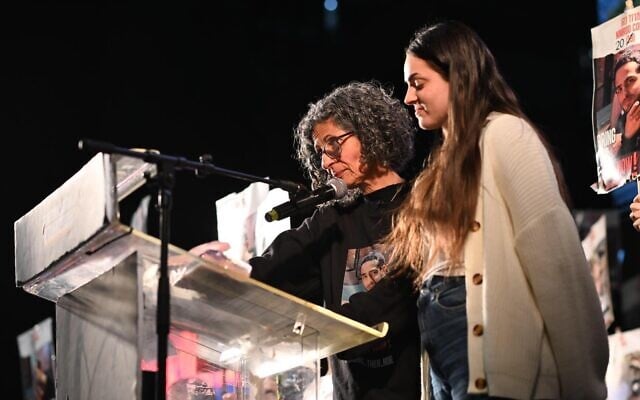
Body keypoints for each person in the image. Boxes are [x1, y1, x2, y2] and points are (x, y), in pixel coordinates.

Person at [384, 21, 609, 399]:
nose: (408, 97)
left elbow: (555, 259)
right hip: (452, 372)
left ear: (457, 75)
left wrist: (585, 386)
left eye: (418, 83)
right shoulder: (443, 166)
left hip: (495, 371)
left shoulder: (506, 135)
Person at [192, 81, 421, 399]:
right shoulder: (333, 219)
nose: (326, 162)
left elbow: (399, 297)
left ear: (371, 132)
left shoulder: (422, 205)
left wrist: (331, 332)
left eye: (334, 144)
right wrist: (226, 272)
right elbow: (278, 268)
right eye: (320, 152)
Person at [612, 49, 640, 157]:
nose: (625, 94)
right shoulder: (623, 121)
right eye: (619, 89)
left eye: (630, 81)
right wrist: (628, 137)